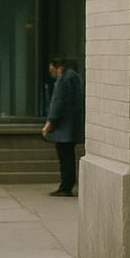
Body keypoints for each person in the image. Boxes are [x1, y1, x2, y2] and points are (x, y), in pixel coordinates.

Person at [41, 56, 82, 196]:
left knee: (65, 158)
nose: (50, 70)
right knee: (68, 156)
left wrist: (49, 123)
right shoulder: (74, 77)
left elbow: (57, 102)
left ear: (56, 65)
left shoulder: (64, 79)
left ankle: (65, 187)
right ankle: (67, 185)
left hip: (64, 127)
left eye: (51, 67)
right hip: (72, 124)